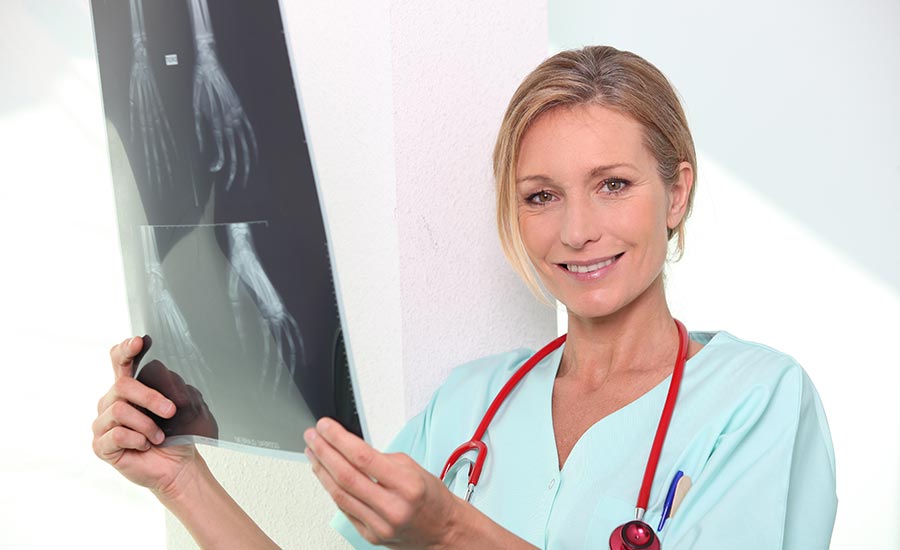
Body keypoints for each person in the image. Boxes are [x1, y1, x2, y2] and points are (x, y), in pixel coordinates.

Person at [92, 45, 837, 549]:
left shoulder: (757, 398)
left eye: (614, 185)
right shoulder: (471, 405)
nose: (578, 231)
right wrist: (181, 481)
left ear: (676, 192)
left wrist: (450, 532)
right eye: (542, 196)